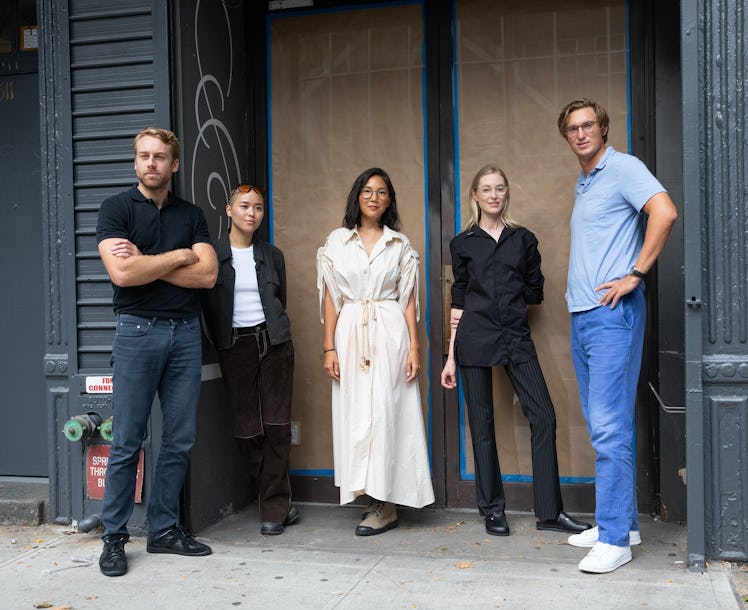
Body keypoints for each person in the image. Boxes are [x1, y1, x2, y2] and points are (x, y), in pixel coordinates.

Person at [557, 99, 677, 573]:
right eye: (572, 128)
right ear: (567, 137)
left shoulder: (624, 167)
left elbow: (664, 212)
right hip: (584, 316)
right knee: (605, 425)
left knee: (608, 428)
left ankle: (614, 541)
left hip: (612, 315)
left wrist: (635, 274)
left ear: (603, 129)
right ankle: (621, 524)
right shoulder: (585, 182)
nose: (581, 133)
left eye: (588, 125)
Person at [440, 164, 591, 538]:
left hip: (515, 336)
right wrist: (450, 355)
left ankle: (549, 513)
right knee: (482, 422)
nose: (493, 195)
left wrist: (506, 303)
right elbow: (458, 299)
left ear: (507, 194)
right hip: (473, 339)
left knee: (544, 416)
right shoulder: (462, 244)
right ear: (474, 195)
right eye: (486, 189)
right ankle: (492, 509)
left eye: (500, 188)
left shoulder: (523, 239)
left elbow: (535, 290)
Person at [95, 127, 218, 577]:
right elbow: (123, 276)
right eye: (144, 156)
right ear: (135, 163)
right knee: (127, 440)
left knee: (179, 439)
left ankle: (164, 530)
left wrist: (148, 259)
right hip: (137, 333)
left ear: (174, 164)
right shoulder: (115, 209)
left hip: (185, 334)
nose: (151, 163)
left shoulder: (192, 213)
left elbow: (206, 277)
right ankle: (114, 537)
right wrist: (178, 256)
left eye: (160, 157)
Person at [316, 167, 435, 535]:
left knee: (388, 412)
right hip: (351, 332)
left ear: (389, 201)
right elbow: (332, 299)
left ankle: (387, 503)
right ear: (357, 196)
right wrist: (329, 347)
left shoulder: (399, 244)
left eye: (382, 192)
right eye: (367, 191)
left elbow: (409, 300)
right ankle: (371, 496)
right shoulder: (337, 241)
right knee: (357, 415)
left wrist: (414, 347)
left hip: (389, 331)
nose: (374, 197)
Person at [201, 183, 298, 536]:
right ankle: (276, 497)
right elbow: (207, 309)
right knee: (247, 429)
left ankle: (274, 507)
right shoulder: (211, 254)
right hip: (235, 346)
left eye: (257, 208)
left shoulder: (272, 255)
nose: (251, 213)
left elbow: (280, 298)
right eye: (244, 206)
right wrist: (224, 343)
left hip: (274, 343)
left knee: (277, 427)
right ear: (229, 211)